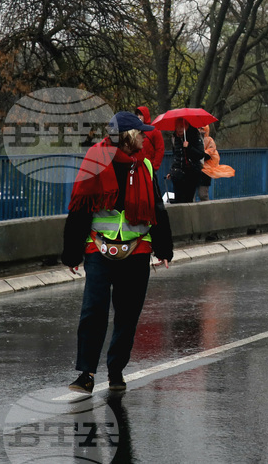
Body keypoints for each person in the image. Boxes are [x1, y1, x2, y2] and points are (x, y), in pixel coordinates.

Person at [62, 111, 173, 394]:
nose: (145, 137)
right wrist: (72, 254)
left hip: (137, 249)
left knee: (128, 314)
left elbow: (157, 211)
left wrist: (164, 249)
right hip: (99, 248)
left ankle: (115, 370)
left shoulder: (145, 165)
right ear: (128, 138)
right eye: (141, 134)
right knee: (93, 311)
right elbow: (79, 209)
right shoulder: (96, 162)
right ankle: (86, 374)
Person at [168, 118, 205, 203]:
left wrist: (189, 147)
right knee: (178, 199)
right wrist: (172, 170)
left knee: (188, 199)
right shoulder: (175, 138)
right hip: (178, 173)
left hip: (192, 172)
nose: (180, 129)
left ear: (187, 126)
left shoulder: (195, 135)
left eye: (182, 126)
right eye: (177, 127)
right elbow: (176, 156)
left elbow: (200, 154)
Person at [197, 124, 235, 201]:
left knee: (202, 195)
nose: (200, 130)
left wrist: (199, 154)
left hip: (206, 172)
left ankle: (207, 210)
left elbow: (209, 154)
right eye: (198, 128)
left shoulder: (209, 141)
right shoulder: (193, 139)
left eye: (202, 128)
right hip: (195, 169)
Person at [135, 106, 165, 172]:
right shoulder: (135, 130)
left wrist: (154, 166)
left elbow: (160, 149)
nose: (139, 117)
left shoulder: (154, 131)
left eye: (141, 115)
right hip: (138, 166)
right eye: (137, 115)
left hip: (149, 167)